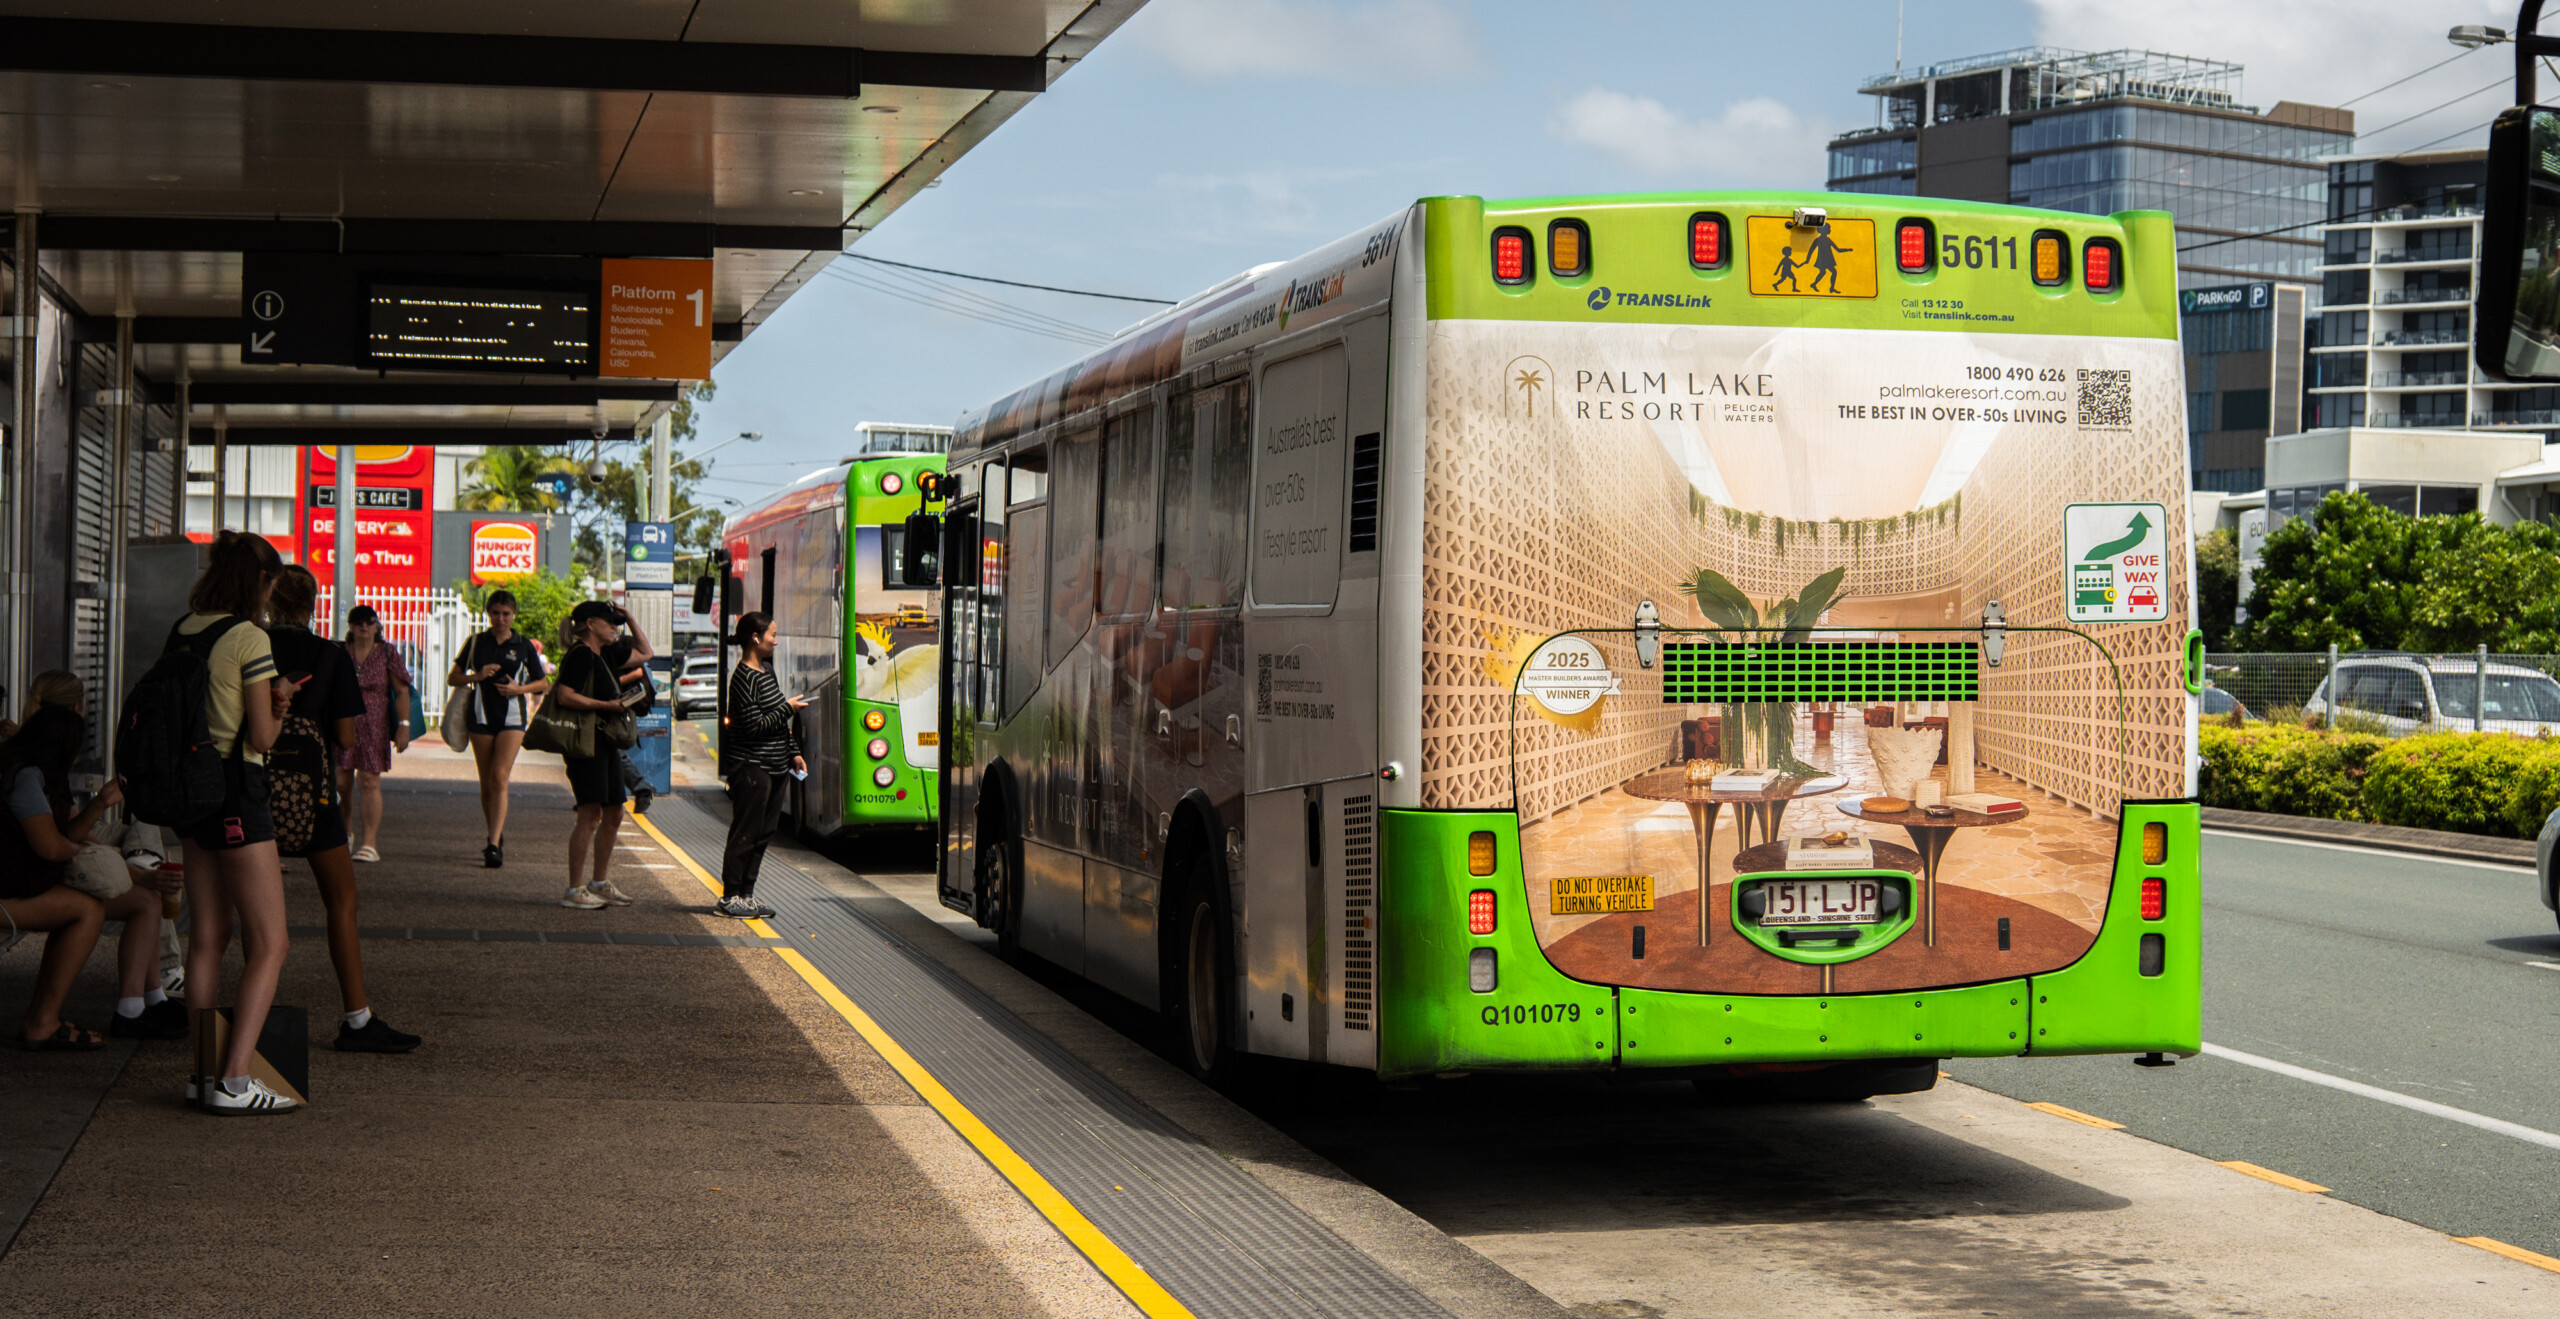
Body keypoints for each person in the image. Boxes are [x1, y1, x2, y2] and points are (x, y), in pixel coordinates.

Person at [267, 569, 422, 1055]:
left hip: (249, 792)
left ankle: (232, 1022)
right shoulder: (329, 654)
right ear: (313, 605)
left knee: (242, 915)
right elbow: (347, 737)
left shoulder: (246, 645)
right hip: (309, 794)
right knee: (341, 901)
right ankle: (356, 1017)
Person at [174, 530, 300, 1113]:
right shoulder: (251, 637)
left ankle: (202, 1073)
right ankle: (234, 1080)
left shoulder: (185, 629)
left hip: (191, 794)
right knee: (271, 942)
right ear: (260, 582)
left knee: (205, 937)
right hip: (236, 793)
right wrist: (278, 701)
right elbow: (261, 737)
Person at [1, 707, 182, 1048]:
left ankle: (135, 1008)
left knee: (145, 902)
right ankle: (41, 1021)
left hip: (26, 881)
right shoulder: (24, 776)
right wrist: (93, 856)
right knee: (87, 910)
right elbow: (51, 846)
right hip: (12, 889)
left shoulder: (35, 773)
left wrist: (100, 803)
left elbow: (68, 832)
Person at [450, 589, 546, 868]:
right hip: (480, 715)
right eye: (495, 613)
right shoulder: (477, 642)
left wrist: (519, 688)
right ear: (488, 614)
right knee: (487, 781)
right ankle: (495, 831)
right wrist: (477, 676)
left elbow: (543, 683)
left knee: (500, 776)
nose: (500, 619)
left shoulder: (523, 644)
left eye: (506, 614)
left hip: (512, 717)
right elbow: (452, 678)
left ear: (514, 615)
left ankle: (493, 845)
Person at [718, 612, 805, 920]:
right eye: (772, 635)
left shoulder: (766, 670)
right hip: (751, 767)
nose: (776, 640)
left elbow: (780, 724)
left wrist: (794, 752)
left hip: (777, 765)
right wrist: (788, 708)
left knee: (764, 832)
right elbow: (755, 726)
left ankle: (747, 895)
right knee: (746, 831)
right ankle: (730, 896)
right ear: (755, 638)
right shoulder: (742, 678)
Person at [554, 601, 637, 910]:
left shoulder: (606, 655)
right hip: (585, 744)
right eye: (610, 622)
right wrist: (608, 707)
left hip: (605, 743)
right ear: (590, 624)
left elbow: (646, 653)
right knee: (590, 815)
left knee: (615, 812)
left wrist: (630, 618)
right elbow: (565, 695)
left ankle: (599, 882)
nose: (615, 627)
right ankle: (574, 889)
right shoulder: (580, 655)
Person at [335, 604, 413, 862]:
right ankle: (345, 834)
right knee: (341, 782)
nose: (364, 627)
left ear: (377, 626)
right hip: (343, 720)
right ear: (351, 627)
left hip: (375, 724)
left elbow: (401, 691)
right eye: (358, 622)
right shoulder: (340, 652)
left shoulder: (387, 652)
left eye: (369, 622)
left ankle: (369, 842)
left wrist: (403, 726)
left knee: (369, 780)